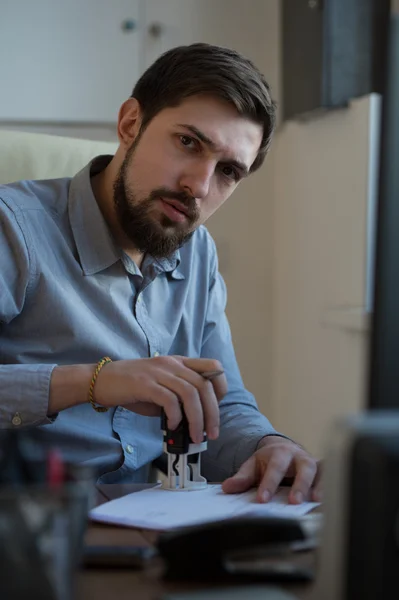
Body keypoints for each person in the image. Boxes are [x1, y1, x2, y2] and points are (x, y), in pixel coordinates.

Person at [0, 43, 321, 503]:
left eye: (228, 170)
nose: (199, 186)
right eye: (188, 142)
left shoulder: (197, 252)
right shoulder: (13, 227)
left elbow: (221, 403)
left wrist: (269, 447)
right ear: (131, 123)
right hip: (29, 534)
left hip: (140, 532)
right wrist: (95, 382)